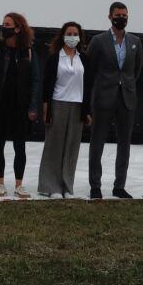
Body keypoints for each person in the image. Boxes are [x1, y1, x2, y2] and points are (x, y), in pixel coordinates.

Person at [0, 12, 41, 199]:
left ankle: (19, 185)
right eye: (3, 24)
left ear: (18, 28)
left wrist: (33, 107)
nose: (3, 27)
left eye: (8, 24)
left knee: (19, 146)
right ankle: (0, 184)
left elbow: (36, 80)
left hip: (20, 106)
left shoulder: (28, 51)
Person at [88, 2, 143, 199]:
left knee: (124, 144)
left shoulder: (135, 41)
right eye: (118, 15)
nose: (122, 18)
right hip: (103, 98)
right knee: (97, 143)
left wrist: (125, 85)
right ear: (110, 17)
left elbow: (135, 70)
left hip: (126, 99)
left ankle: (119, 186)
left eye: (125, 15)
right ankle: (95, 185)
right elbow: (91, 71)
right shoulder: (98, 40)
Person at [38, 21, 93, 198]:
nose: (72, 37)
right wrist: (46, 109)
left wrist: (87, 111)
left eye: (74, 34)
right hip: (58, 103)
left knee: (71, 147)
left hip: (77, 106)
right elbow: (46, 84)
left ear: (80, 37)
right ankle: (51, 186)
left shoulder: (83, 58)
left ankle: (67, 186)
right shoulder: (55, 57)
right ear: (63, 36)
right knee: (54, 146)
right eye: (68, 34)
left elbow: (88, 85)